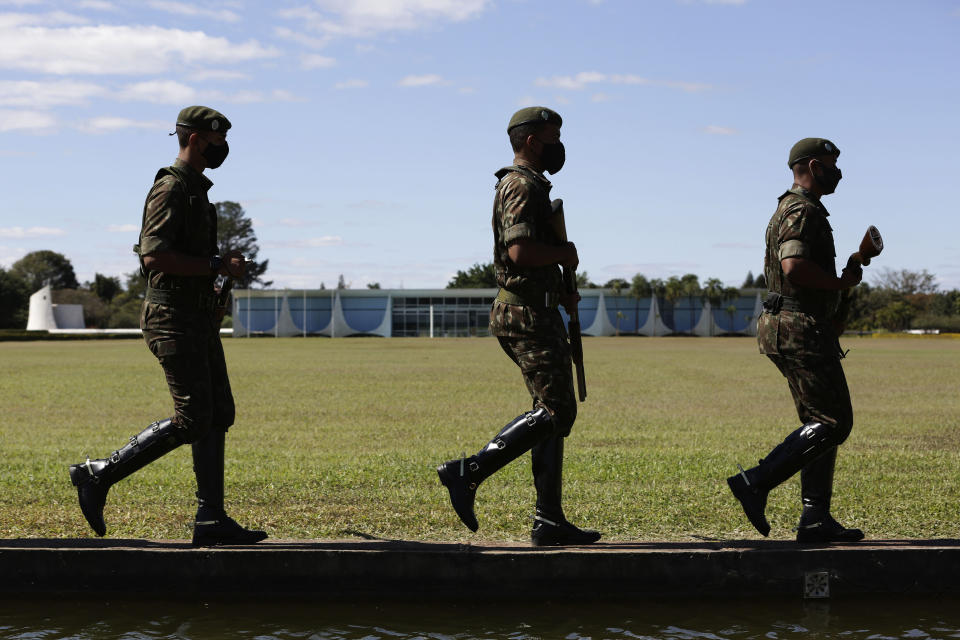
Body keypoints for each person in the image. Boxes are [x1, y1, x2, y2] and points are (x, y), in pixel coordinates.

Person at [68, 106, 267, 547]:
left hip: (196, 319)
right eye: (218, 141)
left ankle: (211, 519)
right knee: (194, 418)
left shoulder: (197, 190)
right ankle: (99, 474)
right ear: (196, 139)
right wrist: (217, 263)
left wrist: (218, 281)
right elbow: (153, 257)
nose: (224, 150)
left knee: (217, 415)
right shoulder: (171, 188)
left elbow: (190, 262)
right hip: (172, 320)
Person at [437, 107, 601, 546]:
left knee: (551, 415)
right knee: (556, 411)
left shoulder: (534, 186)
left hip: (541, 308)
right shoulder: (521, 184)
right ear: (531, 141)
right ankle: (468, 471)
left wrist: (561, 289)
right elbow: (520, 253)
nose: (559, 145)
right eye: (554, 136)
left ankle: (548, 519)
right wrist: (564, 255)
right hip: (525, 314)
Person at [727, 137, 864, 543]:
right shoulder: (801, 209)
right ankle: (755, 481)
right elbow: (794, 267)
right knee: (832, 421)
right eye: (831, 163)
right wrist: (838, 281)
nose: (837, 170)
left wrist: (847, 276)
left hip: (797, 323)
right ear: (811, 166)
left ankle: (815, 517)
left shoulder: (802, 208)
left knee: (819, 420)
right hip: (797, 325)